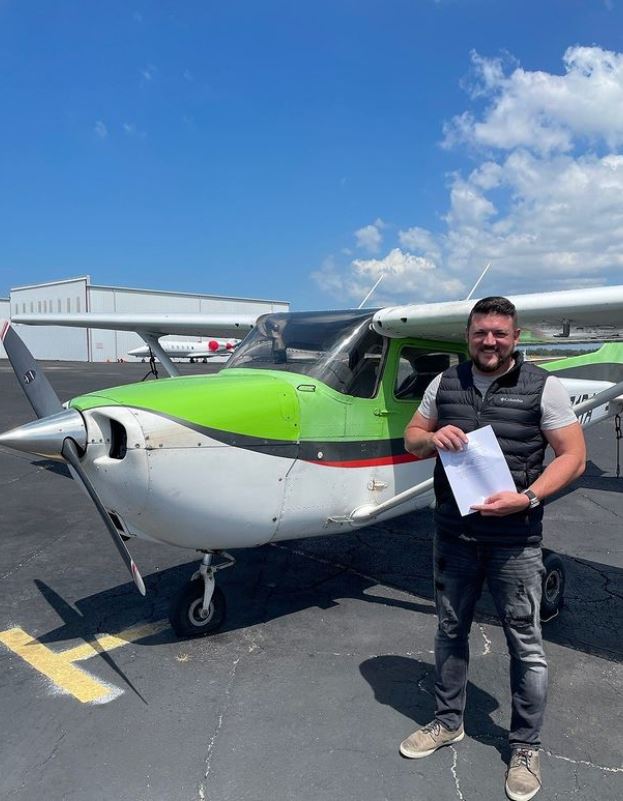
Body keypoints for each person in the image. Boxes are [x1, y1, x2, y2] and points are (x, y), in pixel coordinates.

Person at [401, 296, 586, 801]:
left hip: (516, 542)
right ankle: (447, 722)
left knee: (525, 646)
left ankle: (525, 746)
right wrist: (433, 434)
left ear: (515, 337)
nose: (490, 342)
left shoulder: (544, 387)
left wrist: (526, 497)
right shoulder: (445, 383)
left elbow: (574, 457)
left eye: (500, 334)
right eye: (481, 332)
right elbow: (412, 436)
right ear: (468, 335)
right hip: (454, 536)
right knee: (449, 630)